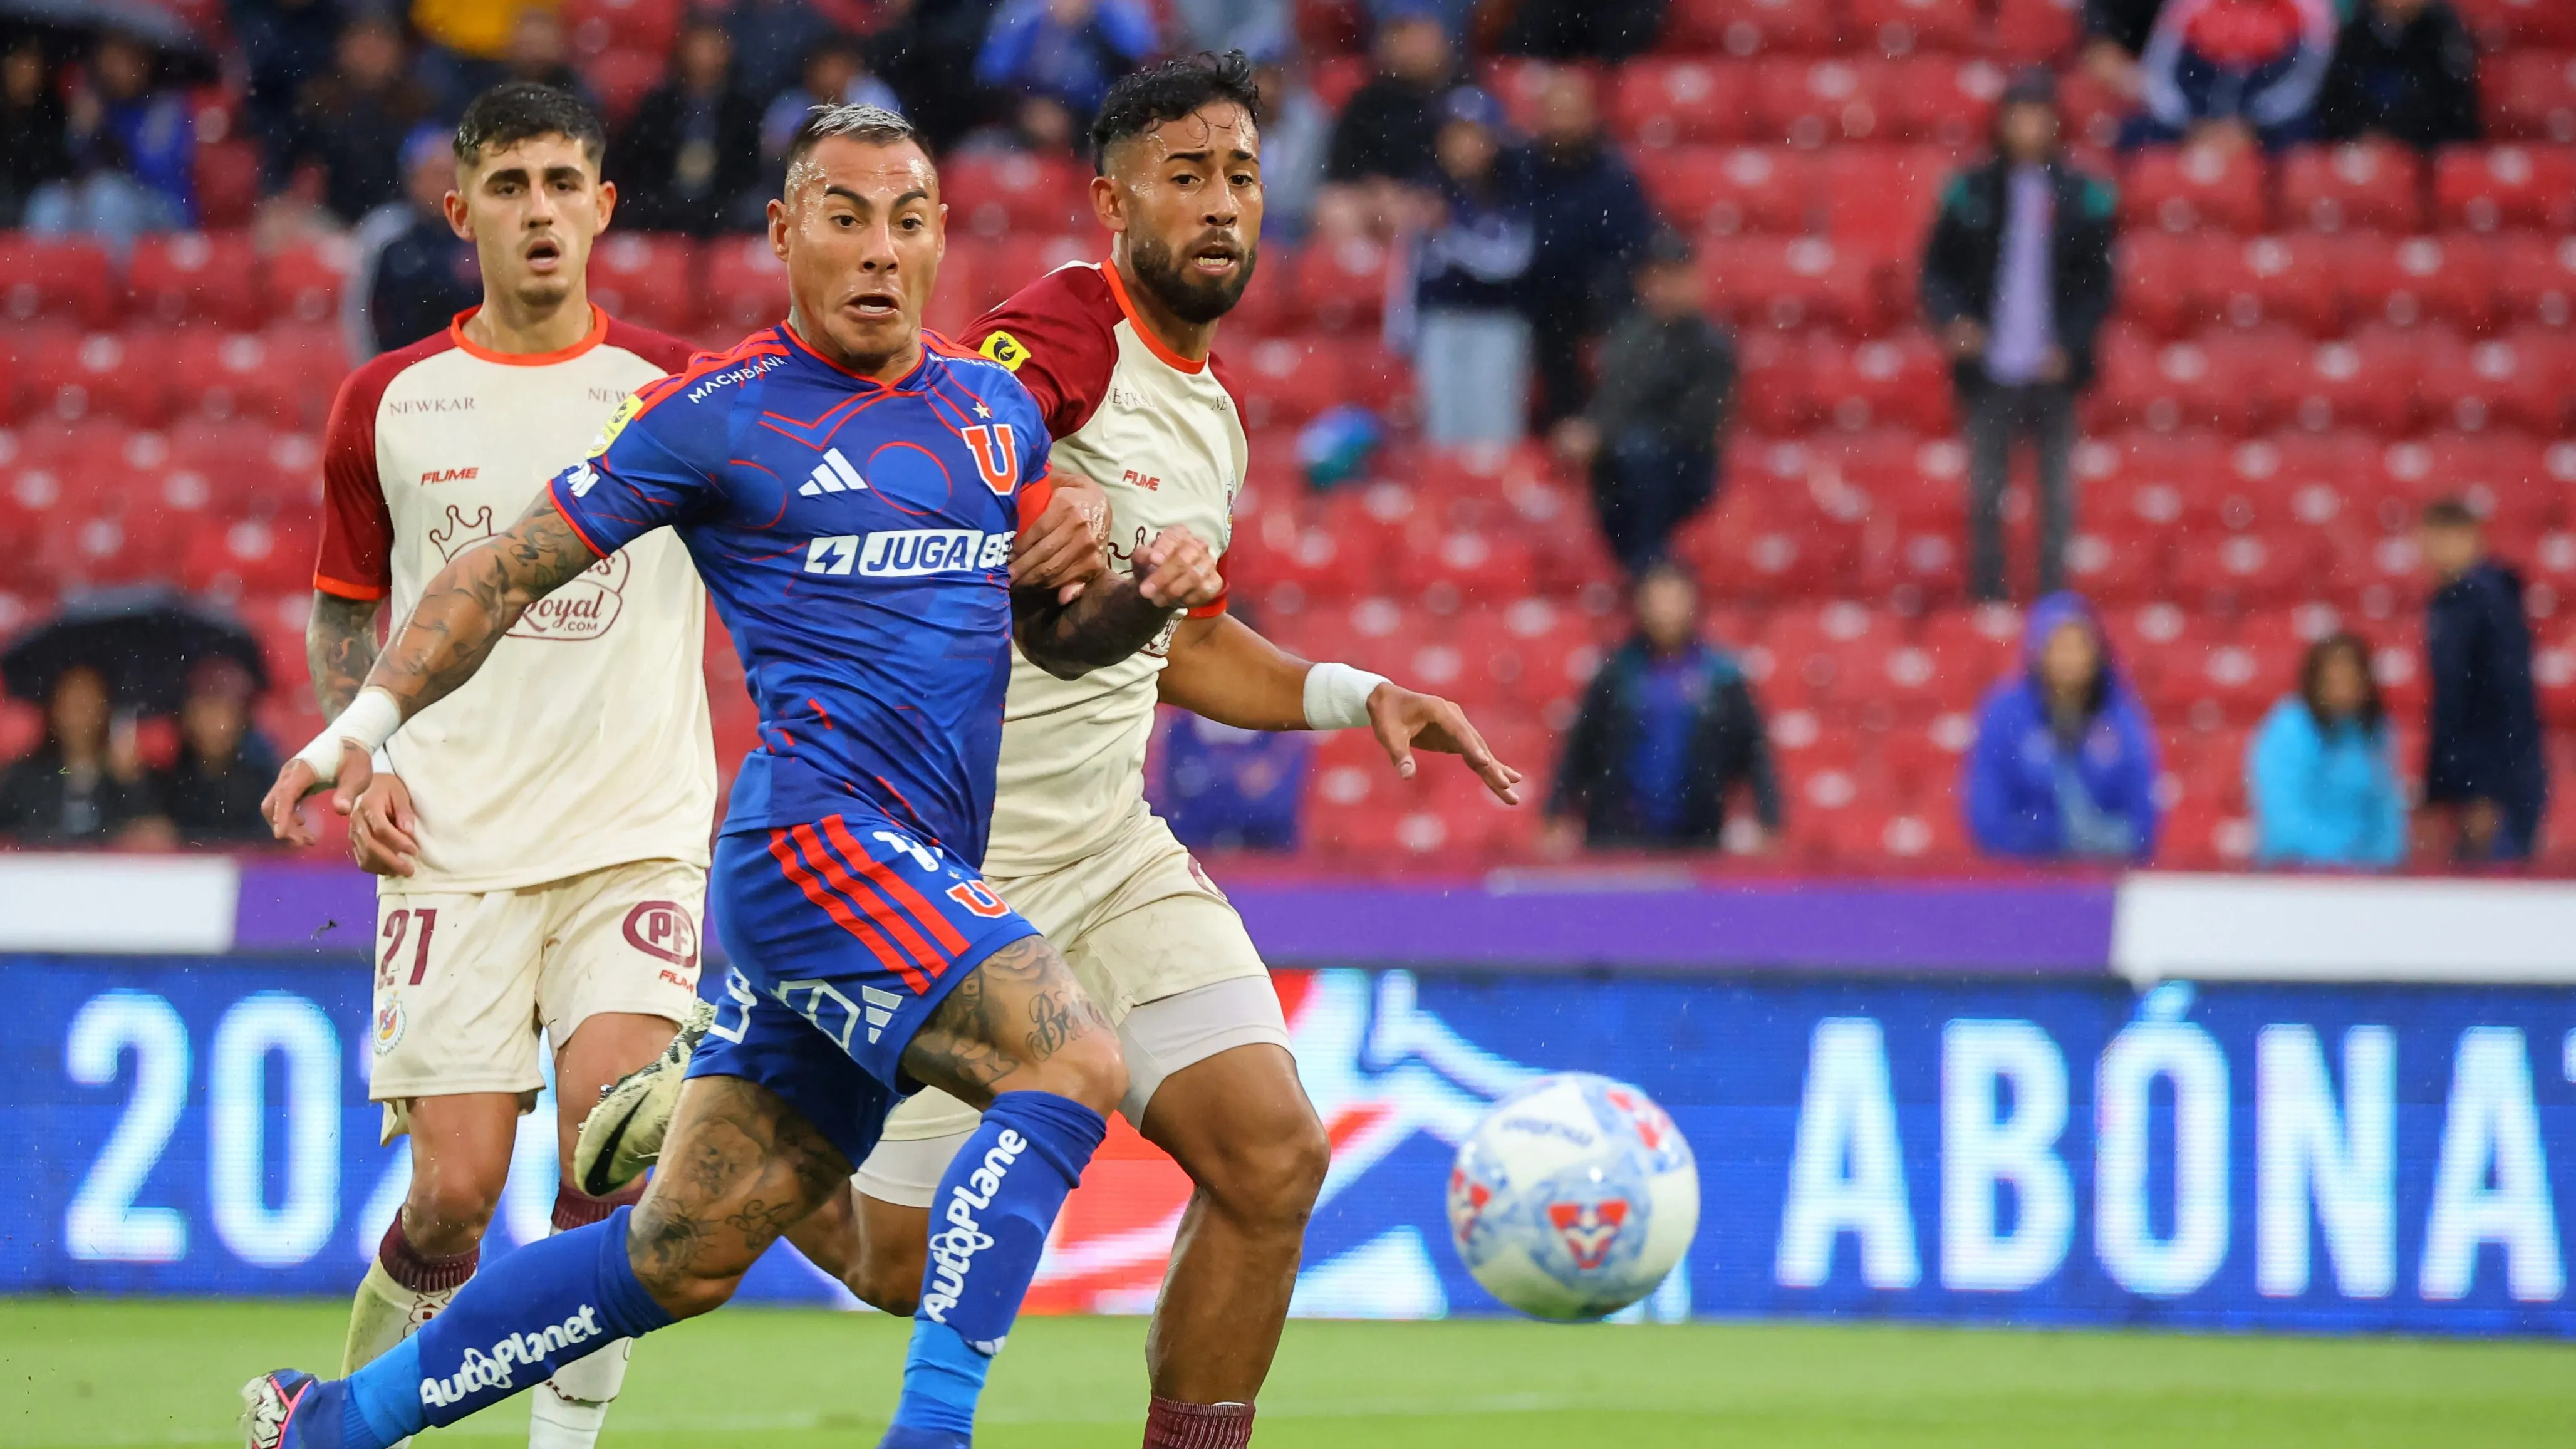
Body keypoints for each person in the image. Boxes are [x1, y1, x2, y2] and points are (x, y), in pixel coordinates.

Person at [578, 54, 1520, 1449]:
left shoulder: (1210, 415)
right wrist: (1022, 525)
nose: (1218, 206)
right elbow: (965, 476)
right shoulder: (1058, 338)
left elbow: (1171, 642)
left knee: (1275, 1156)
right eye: (1183, 176)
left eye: (1241, 176)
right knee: (900, 1270)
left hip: (1109, 845)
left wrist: (1347, 687)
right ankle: (723, 1091)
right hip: (952, 864)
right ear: (1111, 200)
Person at [242, 100, 1210, 1449]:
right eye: (845, 216)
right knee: (1071, 1061)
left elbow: (1058, 629)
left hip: (908, 867)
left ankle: (334, 1422)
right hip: (815, 846)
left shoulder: (991, 415)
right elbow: (504, 568)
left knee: (675, 1257)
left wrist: (1140, 597)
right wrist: (361, 727)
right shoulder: (717, 415)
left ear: (941, 242)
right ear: (782, 234)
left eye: (909, 220)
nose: (881, 250)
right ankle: (929, 1434)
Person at [283, 83, 723, 1449]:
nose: (538, 210)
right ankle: (335, 1424)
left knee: (613, 1143)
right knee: (453, 1199)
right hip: (454, 841)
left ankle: (561, 1443)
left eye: (562, 184)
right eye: (511, 184)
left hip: (634, 829)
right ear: (458, 205)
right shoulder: (388, 401)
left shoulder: (678, 390)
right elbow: (346, 609)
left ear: (603, 206)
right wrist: (367, 764)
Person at [1921, 69, 2117, 604]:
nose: (2029, 128)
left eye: (2039, 116)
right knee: (1986, 492)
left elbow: (2099, 284)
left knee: (2056, 496)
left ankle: (2054, 601)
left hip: (2055, 368)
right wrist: (1955, 321)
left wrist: (2071, 344)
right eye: (2019, 116)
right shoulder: (1970, 190)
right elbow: (1937, 270)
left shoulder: (2085, 195)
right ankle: (1989, 597)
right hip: (1989, 365)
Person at [1545, 563, 1780, 853]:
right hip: (1615, 837)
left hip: (1698, 837)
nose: (1665, 611)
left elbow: (1755, 751)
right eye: (1656, 600)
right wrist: (1554, 813)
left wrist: (1770, 819)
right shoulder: (1617, 673)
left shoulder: (1721, 676)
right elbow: (1578, 747)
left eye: (1674, 599)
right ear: (1639, 605)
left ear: (1693, 604)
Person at [1556, 231, 1735, 574]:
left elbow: (1695, 425)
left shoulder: (1711, 347)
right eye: (1656, 278)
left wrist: (1608, 437)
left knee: (1642, 454)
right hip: (1621, 459)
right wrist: (1587, 430)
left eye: (1673, 277)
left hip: (1683, 468)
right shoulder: (1631, 334)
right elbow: (1611, 398)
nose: (1664, 288)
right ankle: (1631, 569)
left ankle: (1650, 568)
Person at [1963, 591, 2160, 861]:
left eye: (2079, 645)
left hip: (2102, 879)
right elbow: (1986, 812)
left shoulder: (2122, 718)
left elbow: (2143, 819)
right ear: (2037, 651)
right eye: (2059, 645)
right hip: (2021, 878)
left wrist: (2105, 839)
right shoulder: (2005, 715)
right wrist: (2053, 837)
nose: (2069, 658)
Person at [1510, 66, 1654, 427]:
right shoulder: (1520, 169)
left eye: (1572, 111)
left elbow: (1634, 242)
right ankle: (1556, 423)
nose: (1563, 122)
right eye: (1555, 111)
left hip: (1597, 290)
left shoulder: (1614, 175)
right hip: (1534, 290)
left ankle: (1609, 423)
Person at [1404, 86, 1537, 445]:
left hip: (1496, 321)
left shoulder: (1511, 188)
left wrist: (1450, 233)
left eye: (1474, 135)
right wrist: (1403, 328)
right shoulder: (1431, 187)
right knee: (1443, 434)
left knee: (1494, 434)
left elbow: (1512, 259)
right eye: (1455, 135)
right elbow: (1409, 265)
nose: (1463, 146)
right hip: (1441, 322)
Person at [2420, 499, 2548, 863]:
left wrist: (2489, 791)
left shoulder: (2489, 602)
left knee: (2499, 890)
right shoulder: (2448, 603)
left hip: (2498, 781)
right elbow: (2450, 705)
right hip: (2473, 777)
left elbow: (2508, 699)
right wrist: (2440, 789)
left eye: (2450, 536)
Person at [2246, 633, 2407, 868]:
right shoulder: (2289, 729)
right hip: (2297, 876)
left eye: (2351, 677)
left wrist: (2377, 865)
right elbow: (2282, 820)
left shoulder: (2375, 732)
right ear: (2315, 680)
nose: (2343, 687)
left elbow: (2386, 814)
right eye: (2334, 678)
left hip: (2367, 883)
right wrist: (2340, 861)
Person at [26, 30, 195, 247]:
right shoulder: (96, 103)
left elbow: (153, 169)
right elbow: (71, 167)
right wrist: (80, 133)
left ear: (145, 62)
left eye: (123, 59)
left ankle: (114, 280)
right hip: (99, 198)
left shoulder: (165, 107)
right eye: (109, 58)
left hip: (164, 208)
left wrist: (106, 134)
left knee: (108, 198)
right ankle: (47, 279)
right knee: (49, 202)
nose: (115, 68)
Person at [289, 13, 440, 226]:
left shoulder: (420, 108)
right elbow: (293, 168)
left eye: (380, 43)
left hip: (399, 219)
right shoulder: (315, 104)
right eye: (362, 42)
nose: (371, 53)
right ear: (342, 47)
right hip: (325, 220)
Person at [615, 21, 763, 236]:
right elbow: (640, 159)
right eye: (697, 47)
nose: (703, 56)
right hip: (665, 195)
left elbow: (750, 163)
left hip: (726, 197)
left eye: (712, 47)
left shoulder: (745, 108)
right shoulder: (657, 105)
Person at [0, 663, 170, 847]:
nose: (79, 718)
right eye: (71, 705)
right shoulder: (28, 776)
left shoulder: (124, 775)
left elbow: (156, 830)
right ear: (54, 709)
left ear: (105, 709)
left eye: (86, 705)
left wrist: (132, 782)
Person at [2133, 0, 2337, 150]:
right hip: (2194, 116)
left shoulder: (2309, 7)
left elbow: (2307, 79)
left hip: (2270, 123)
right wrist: (2190, 122)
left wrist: (2253, 124)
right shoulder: (2190, 5)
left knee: (2305, 150)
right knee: (2138, 140)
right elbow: (2159, 71)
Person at [349, 125, 480, 357]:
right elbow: (364, 316)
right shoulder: (386, 237)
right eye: (438, 174)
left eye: (454, 174)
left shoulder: (485, 239)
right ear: (413, 179)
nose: (448, 184)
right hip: (407, 370)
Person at [1321, 6, 1457, 199]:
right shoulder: (1369, 103)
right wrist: (1377, 190)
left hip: (1453, 209)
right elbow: (1343, 170)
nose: (1409, 48)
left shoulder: (1465, 95)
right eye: (1399, 35)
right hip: (1378, 206)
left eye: (1417, 35)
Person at [2316, 0, 2481, 149]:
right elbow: (2336, 102)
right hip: (2364, 149)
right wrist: (2364, 133)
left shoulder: (2442, 32)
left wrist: (2401, 138)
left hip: (2426, 152)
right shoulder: (2356, 33)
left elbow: (2453, 106)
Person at [157, 658, 283, 845]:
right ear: (187, 715)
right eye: (208, 708)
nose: (219, 723)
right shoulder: (164, 780)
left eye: (228, 710)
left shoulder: (264, 782)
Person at [973, 0, 1159, 126]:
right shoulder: (1024, 10)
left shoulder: (1118, 8)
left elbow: (1138, 64)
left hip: (1102, 116)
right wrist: (1027, 108)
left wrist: (1093, 20)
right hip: (1028, 118)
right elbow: (992, 76)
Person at [1, 39, 73, 229]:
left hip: (37, 198)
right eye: (19, 65)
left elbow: (59, 166)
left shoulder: (53, 111)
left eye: (32, 65)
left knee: (51, 208)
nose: (26, 73)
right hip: (7, 195)